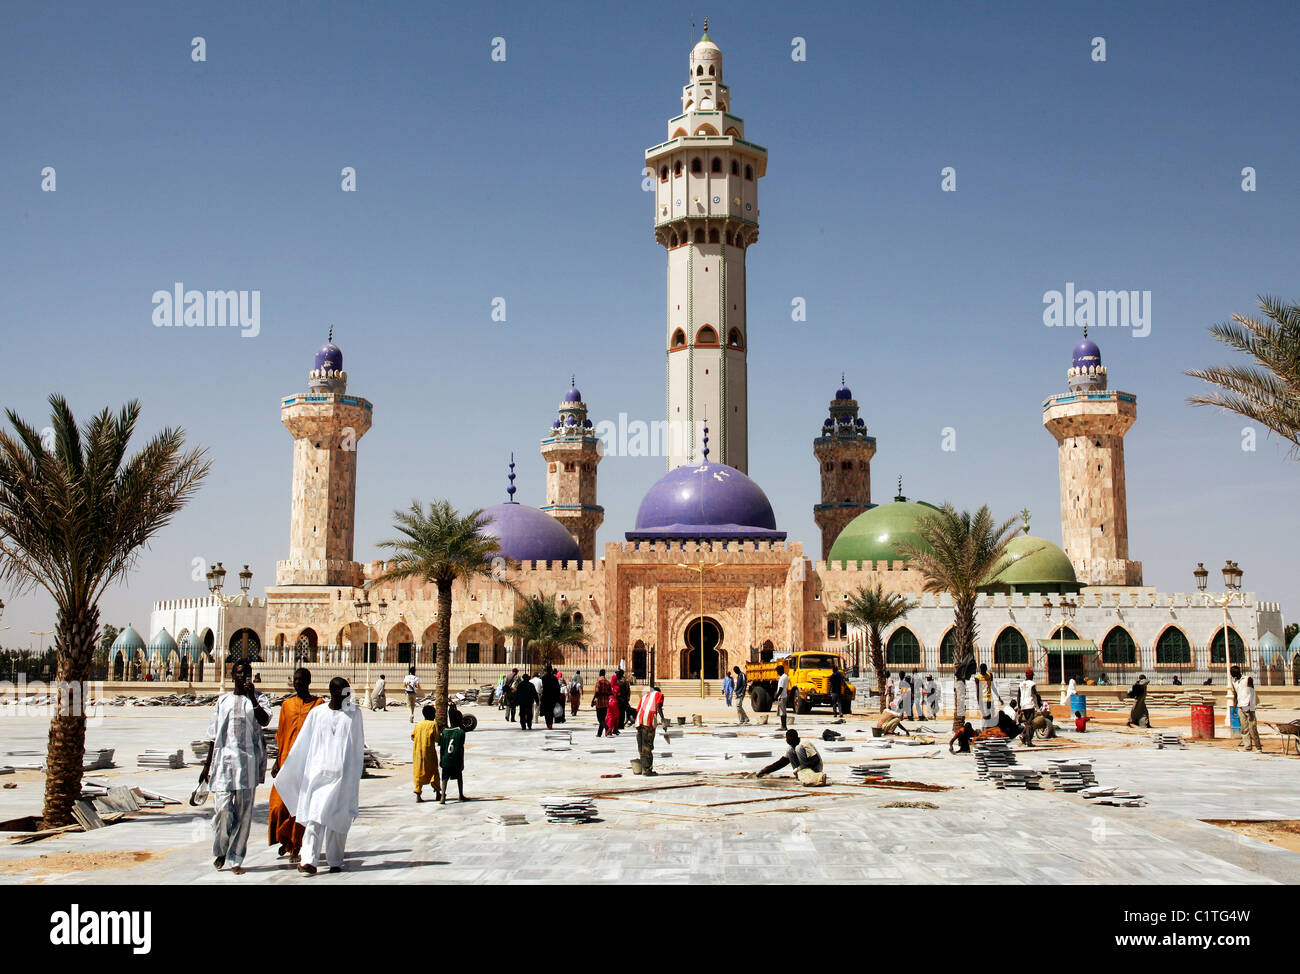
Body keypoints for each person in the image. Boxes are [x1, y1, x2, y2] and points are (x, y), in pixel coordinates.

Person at [274, 677, 366, 875]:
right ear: (333, 692)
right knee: (315, 818)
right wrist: (292, 768)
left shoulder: (354, 714)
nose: (347, 695)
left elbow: (357, 747)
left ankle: (335, 860)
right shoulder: (317, 713)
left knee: (337, 821)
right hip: (317, 777)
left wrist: (354, 775)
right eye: (344, 692)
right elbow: (303, 743)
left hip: (341, 778)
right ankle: (309, 861)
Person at [200, 661, 270, 874]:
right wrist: (206, 766)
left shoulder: (259, 699)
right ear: (233, 675)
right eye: (240, 673)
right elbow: (213, 735)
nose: (244, 676)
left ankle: (236, 858)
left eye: (247, 673)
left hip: (247, 763)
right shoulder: (223, 701)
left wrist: (251, 698)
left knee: (244, 813)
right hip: (223, 764)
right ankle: (221, 848)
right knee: (222, 810)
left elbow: (264, 720)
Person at [268, 667, 322, 863]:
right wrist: (276, 761)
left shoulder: (318, 705)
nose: (297, 683)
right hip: (286, 760)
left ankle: (295, 844)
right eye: (295, 680)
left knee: (300, 806)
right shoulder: (286, 705)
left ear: (308, 681)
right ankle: (284, 838)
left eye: (301, 680)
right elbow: (281, 733)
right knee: (278, 806)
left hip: (307, 764)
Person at [756, 730, 824, 781]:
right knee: (789, 750)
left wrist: (800, 768)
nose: (787, 740)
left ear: (795, 738)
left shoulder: (804, 743)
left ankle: (805, 774)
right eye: (787, 738)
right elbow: (781, 762)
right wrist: (765, 770)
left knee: (798, 748)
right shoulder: (792, 746)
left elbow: (816, 760)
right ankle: (800, 775)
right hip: (801, 770)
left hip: (815, 769)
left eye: (790, 738)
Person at [633, 683, 666, 775]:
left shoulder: (645, 696)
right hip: (649, 722)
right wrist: (663, 720)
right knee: (647, 745)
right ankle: (647, 770)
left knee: (641, 745)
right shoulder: (659, 694)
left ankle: (643, 768)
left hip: (639, 722)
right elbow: (659, 706)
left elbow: (638, 710)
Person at [411, 704, 443, 802]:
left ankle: (418, 794)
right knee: (434, 772)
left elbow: (413, 736)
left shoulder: (418, 725)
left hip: (418, 753)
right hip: (429, 753)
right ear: (433, 715)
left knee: (418, 772)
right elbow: (437, 738)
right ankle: (438, 792)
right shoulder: (433, 725)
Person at [439, 708, 468, 802]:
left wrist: (441, 759)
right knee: (459, 777)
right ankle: (460, 795)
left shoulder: (444, 732)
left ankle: (443, 795)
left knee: (444, 778)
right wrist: (462, 761)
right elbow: (460, 748)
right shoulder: (461, 732)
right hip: (456, 759)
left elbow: (442, 748)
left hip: (446, 758)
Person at [1235, 669, 1261, 752]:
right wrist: (1235, 706)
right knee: (1244, 728)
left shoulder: (1247, 679)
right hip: (1240, 706)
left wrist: (1250, 705)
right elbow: (1236, 694)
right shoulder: (1234, 682)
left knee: (1252, 727)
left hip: (1249, 705)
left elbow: (1252, 692)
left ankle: (1258, 747)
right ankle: (1247, 746)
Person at [974, 663, 1001, 730]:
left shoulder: (989, 675)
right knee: (986, 715)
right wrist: (978, 700)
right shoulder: (977, 677)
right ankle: (984, 728)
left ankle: (988, 728)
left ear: (986, 669)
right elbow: (977, 690)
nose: (982, 671)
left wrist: (999, 697)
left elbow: (993, 687)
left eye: (984, 670)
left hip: (989, 698)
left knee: (991, 714)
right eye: (981, 670)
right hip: (982, 699)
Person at [1018, 670, 1039, 746]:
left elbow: (1018, 695)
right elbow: (1035, 694)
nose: (1033, 677)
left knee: (1028, 723)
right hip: (1030, 705)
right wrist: (1038, 705)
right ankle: (1027, 740)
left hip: (1023, 705)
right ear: (1030, 676)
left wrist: (1019, 706)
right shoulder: (1032, 684)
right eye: (1032, 675)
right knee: (1029, 724)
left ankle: (1025, 738)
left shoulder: (1021, 684)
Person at [540, 663, 563, 730]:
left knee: (547, 711)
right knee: (551, 710)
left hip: (546, 696)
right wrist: (557, 696)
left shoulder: (543, 677)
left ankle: (548, 723)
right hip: (553, 697)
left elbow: (542, 687)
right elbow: (557, 688)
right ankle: (550, 723)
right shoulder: (554, 678)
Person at [592, 669, 612, 737]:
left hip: (599, 702)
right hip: (606, 702)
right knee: (603, 719)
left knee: (599, 719)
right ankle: (599, 733)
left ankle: (607, 728)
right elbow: (610, 692)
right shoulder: (607, 682)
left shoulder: (599, 681)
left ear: (599, 673)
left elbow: (596, 691)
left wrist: (593, 700)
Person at [606, 671, 622, 736]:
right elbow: (619, 694)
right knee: (616, 716)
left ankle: (608, 730)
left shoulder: (608, 686)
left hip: (609, 702)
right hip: (615, 703)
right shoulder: (617, 687)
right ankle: (615, 729)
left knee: (609, 717)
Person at [775, 665, 790, 730]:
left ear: (780, 670)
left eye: (777, 671)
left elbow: (781, 688)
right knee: (783, 711)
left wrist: (777, 695)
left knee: (782, 712)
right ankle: (783, 726)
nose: (777, 673)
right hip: (784, 695)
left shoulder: (782, 677)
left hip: (782, 696)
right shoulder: (785, 676)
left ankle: (783, 726)